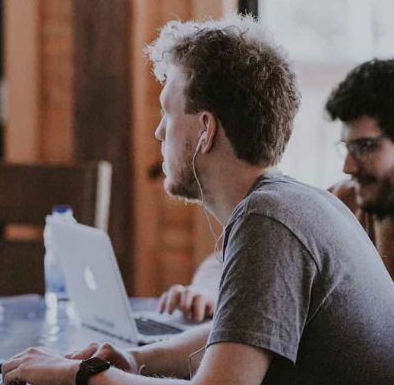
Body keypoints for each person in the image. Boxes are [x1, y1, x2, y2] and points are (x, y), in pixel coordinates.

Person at [1, 16, 394, 385]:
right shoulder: (299, 203)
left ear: (205, 129)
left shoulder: (269, 220)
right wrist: (135, 360)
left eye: (168, 112)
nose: (159, 131)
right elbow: (241, 334)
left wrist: (79, 377)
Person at [159, 57, 394, 321]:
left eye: (364, 147)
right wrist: (207, 292)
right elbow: (229, 257)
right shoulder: (344, 201)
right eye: (347, 148)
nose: (349, 167)